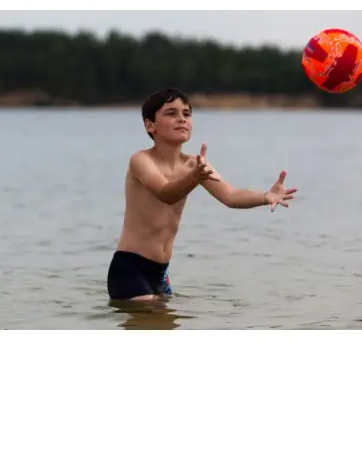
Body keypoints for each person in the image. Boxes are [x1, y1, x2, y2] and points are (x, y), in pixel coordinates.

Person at [107, 87, 297, 302]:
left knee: (165, 319)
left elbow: (231, 196)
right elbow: (166, 193)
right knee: (150, 316)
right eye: (171, 113)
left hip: (161, 273)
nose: (181, 119)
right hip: (131, 268)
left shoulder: (194, 165)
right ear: (150, 125)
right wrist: (194, 177)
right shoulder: (141, 161)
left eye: (186, 114)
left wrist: (265, 196)